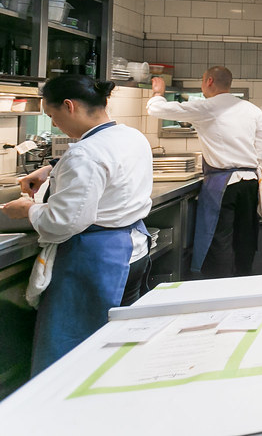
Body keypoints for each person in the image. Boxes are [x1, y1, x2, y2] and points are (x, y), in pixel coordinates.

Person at [1, 76, 153, 375]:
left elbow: (65, 220)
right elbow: (105, 165)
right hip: (131, 251)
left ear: (69, 106)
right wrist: (52, 169)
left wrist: (28, 210)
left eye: (53, 116)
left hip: (97, 261)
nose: (55, 125)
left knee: (76, 350)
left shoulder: (85, 153)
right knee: (116, 344)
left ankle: (67, 410)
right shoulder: (130, 135)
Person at [147, 67, 262, 278]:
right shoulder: (252, 110)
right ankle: (244, 282)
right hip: (250, 183)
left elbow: (159, 111)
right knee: (245, 239)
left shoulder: (206, 107)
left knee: (219, 239)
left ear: (209, 81)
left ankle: (218, 288)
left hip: (224, 184)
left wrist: (158, 94)